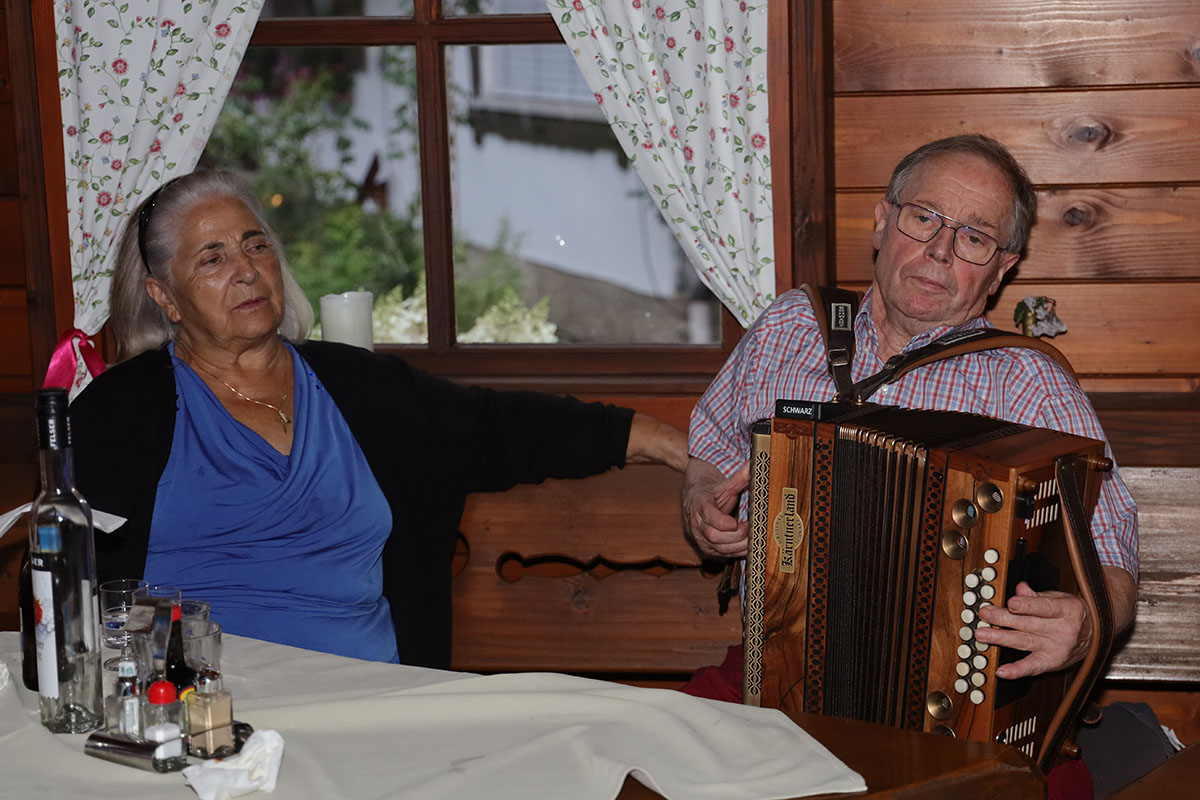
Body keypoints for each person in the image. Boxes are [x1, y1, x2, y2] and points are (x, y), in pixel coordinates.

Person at [71, 170, 688, 669]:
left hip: (370, 704)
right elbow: (71, 584)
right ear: (164, 296)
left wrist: (662, 440)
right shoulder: (117, 415)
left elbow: (501, 428)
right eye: (212, 259)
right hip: (199, 714)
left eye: (256, 245)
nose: (247, 270)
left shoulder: (361, 389)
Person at [683, 134, 1137, 685]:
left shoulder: (1028, 381)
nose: (941, 250)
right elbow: (710, 450)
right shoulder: (788, 327)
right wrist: (701, 503)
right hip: (776, 666)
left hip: (956, 690)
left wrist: (1088, 625)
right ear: (881, 222)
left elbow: (1111, 541)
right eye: (924, 218)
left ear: (1001, 270)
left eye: (974, 237)